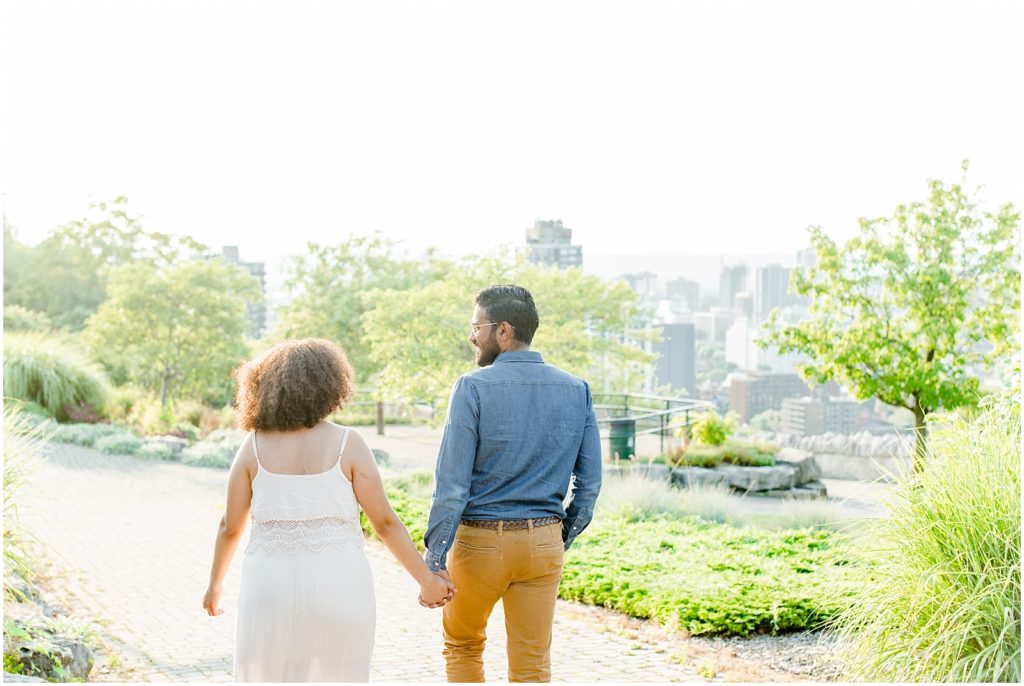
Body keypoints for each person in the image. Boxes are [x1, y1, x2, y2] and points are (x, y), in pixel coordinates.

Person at [202, 337, 454, 682]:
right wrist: (427, 581)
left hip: (269, 585)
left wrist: (215, 586)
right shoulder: (348, 444)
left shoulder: (253, 447)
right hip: (340, 583)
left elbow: (230, 526)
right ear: (329, 386)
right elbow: (384, 523)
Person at [423, 284, 603, 682]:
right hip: (543, 543)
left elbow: (452, 486)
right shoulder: (578, 390)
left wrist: (434, 560)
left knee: (464, 646)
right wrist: (557, 535)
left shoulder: (471, 387)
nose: (472, 335)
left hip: (480, 545)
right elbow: (589, 487)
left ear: (503, 330)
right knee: (533, 664)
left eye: (476, 326)